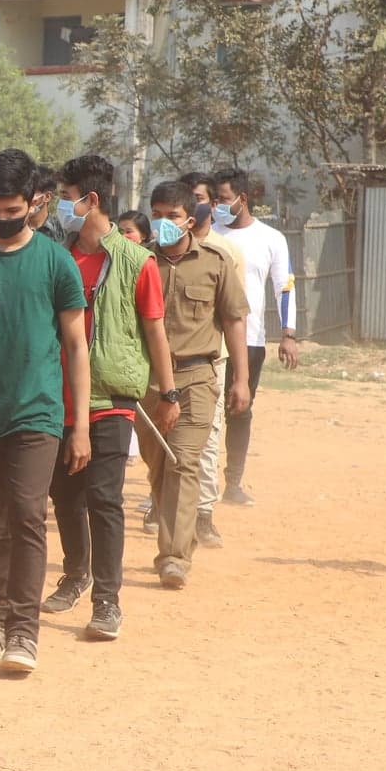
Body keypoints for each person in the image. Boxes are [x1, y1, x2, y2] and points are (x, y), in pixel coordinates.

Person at [0, 150, 90, 675]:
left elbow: (77, 345)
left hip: (37, 413)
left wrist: (78, 425)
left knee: (28, 517)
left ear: (35, 204)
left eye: (10, 209)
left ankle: (23, 632)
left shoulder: (55, 262)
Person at [44, 155, 176, 639]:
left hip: (112, 395)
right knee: (65, 497)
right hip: (57, 397)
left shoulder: (138, 262)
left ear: (90, 199)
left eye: (66, 195)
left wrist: (169, 390)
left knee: (104, 498)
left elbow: (154, 329)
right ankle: (75, 573)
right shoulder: (56, 256)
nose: (61, 205)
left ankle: (107, 600)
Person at [142, 181, 249, 590]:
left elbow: (234, 320)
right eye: (157, 213)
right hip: (149, 381)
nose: (163, 222)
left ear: (190, 219)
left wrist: (240, 379)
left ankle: (174, 556)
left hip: (198, 376)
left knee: (183, 461)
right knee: (158, 466)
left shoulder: (215, 263)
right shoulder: (139, 263)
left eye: (172, 215)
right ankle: (176, 532)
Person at [210, 169, 299, 506]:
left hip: (251, 340)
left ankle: (233, 481)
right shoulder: (210, 236)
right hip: (209, 339)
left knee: (240, 409)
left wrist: (288, 334)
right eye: (214, 198)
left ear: (242, 200)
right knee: (202, 412)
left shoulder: (271, 238)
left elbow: (285, 286)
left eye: (223, 198)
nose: (217, 205)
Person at [177, 171, 243, 545]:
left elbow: (234, 315)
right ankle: (163, 503)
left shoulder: (225, 253)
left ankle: (203, 511)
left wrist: (239, 375)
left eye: (201, 198)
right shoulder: (157, 253)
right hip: (164, 365)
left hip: (208, 363)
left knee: (206, 438)